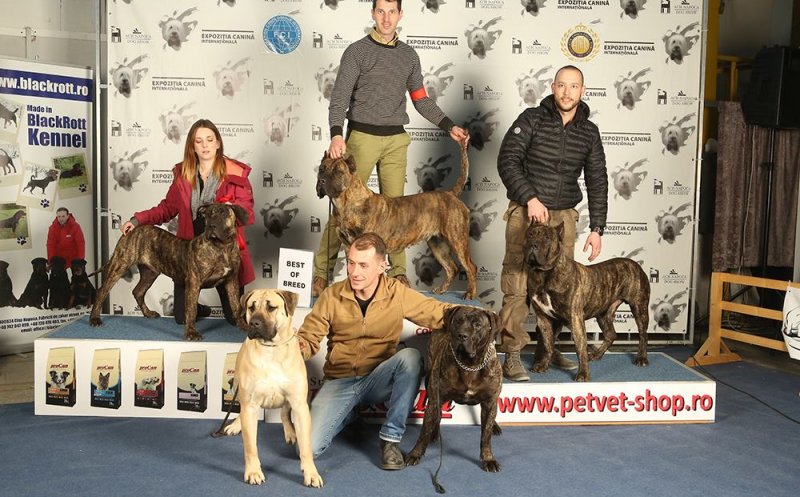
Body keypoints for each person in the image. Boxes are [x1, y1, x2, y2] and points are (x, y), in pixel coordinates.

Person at [312, 0, 469, 297]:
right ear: (373, 14)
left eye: (392, 12)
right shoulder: (357, 51)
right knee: (344, 213)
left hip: (396, 139)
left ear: (400, 15)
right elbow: (339, 99)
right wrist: (336, 135)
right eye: (380, 11)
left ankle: (397, 275)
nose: (386, 18)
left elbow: (421, 100)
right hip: (361, 138)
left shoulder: (409, 56)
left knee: (398, 213)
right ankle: (322, 274)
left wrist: (449, 125)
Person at [298, 232, 451, 470]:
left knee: (410, 358)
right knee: (306, 448)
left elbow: (437, 311)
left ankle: (390, 441)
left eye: (363, 265)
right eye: (350, 263)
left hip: (378, 379)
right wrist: (297, 347)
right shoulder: (332, 295)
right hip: (340, 382)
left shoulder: (396, 293)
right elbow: (309, 337)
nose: (354, 272)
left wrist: (475, 318)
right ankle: (348, 413)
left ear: (382, 265)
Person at [496, 65, 608, 382]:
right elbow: (508, 159)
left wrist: (597, 228)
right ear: (552, 87)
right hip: (527, 213)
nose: (567, 92)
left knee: (561, 291)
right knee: (517, 285)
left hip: (563, 220)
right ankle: (513, 354)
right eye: (561, 85)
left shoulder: (589, 131)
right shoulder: (531, 119)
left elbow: (597, 179)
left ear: (582, 91)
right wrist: (530, 197)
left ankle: (548, 348)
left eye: (574, 86)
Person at [120, 119, 255, 324]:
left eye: (209, 139)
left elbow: (247, 212)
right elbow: (166, 208)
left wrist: (231, 207)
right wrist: (138, 220)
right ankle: (199, 307)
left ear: (218, 143)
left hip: (226, 254)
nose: (205, 145)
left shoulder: (235, 174)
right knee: (182, 318)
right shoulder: (184, 175)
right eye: (198, 141)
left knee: (234, 319)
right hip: (192, 255)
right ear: (192, 146)